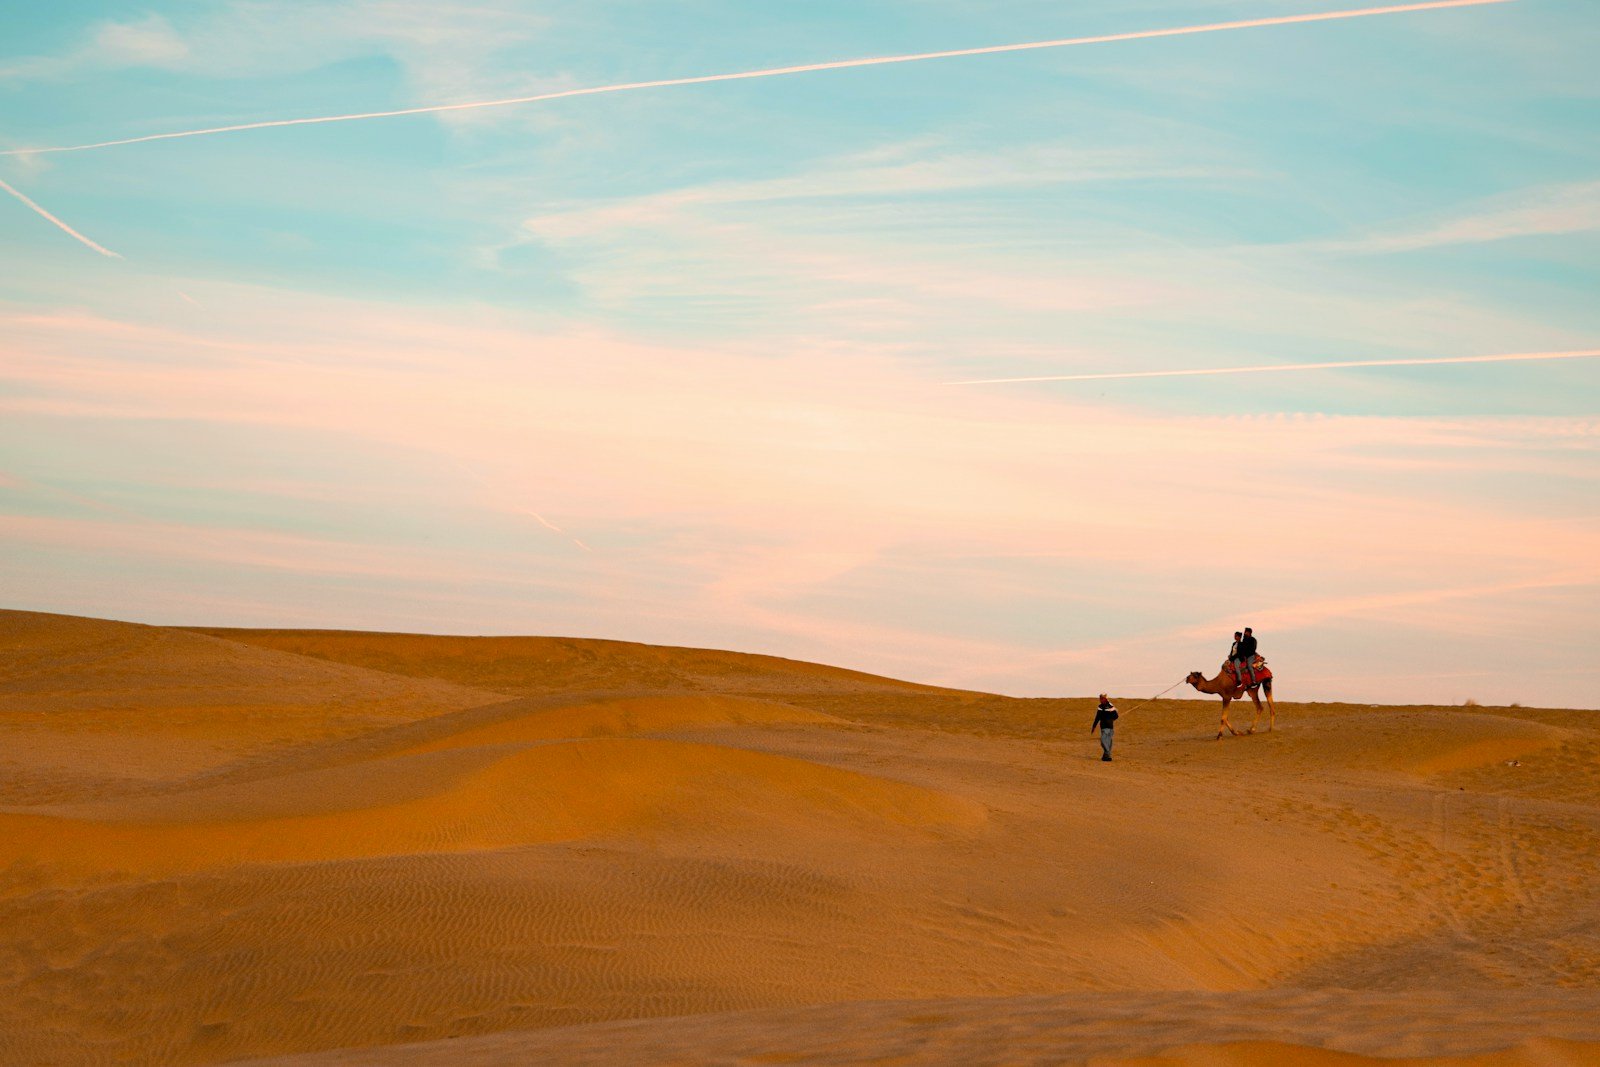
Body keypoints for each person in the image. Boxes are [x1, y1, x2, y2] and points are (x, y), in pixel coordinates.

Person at [1090, 694, 1119, 762]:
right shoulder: (1100, 707)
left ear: (1105, 699)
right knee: (1103, 741)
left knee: (1107, 742)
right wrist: (1094, 726)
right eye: (1100, 699)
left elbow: (1116, 716)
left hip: (1110, 727)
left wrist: (1110, 719)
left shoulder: (1111, 706)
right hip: (1103, 727)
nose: (1100, 700)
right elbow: (1097, 717)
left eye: (1102, 698)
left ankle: (1107, 756)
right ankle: (1107, 756)